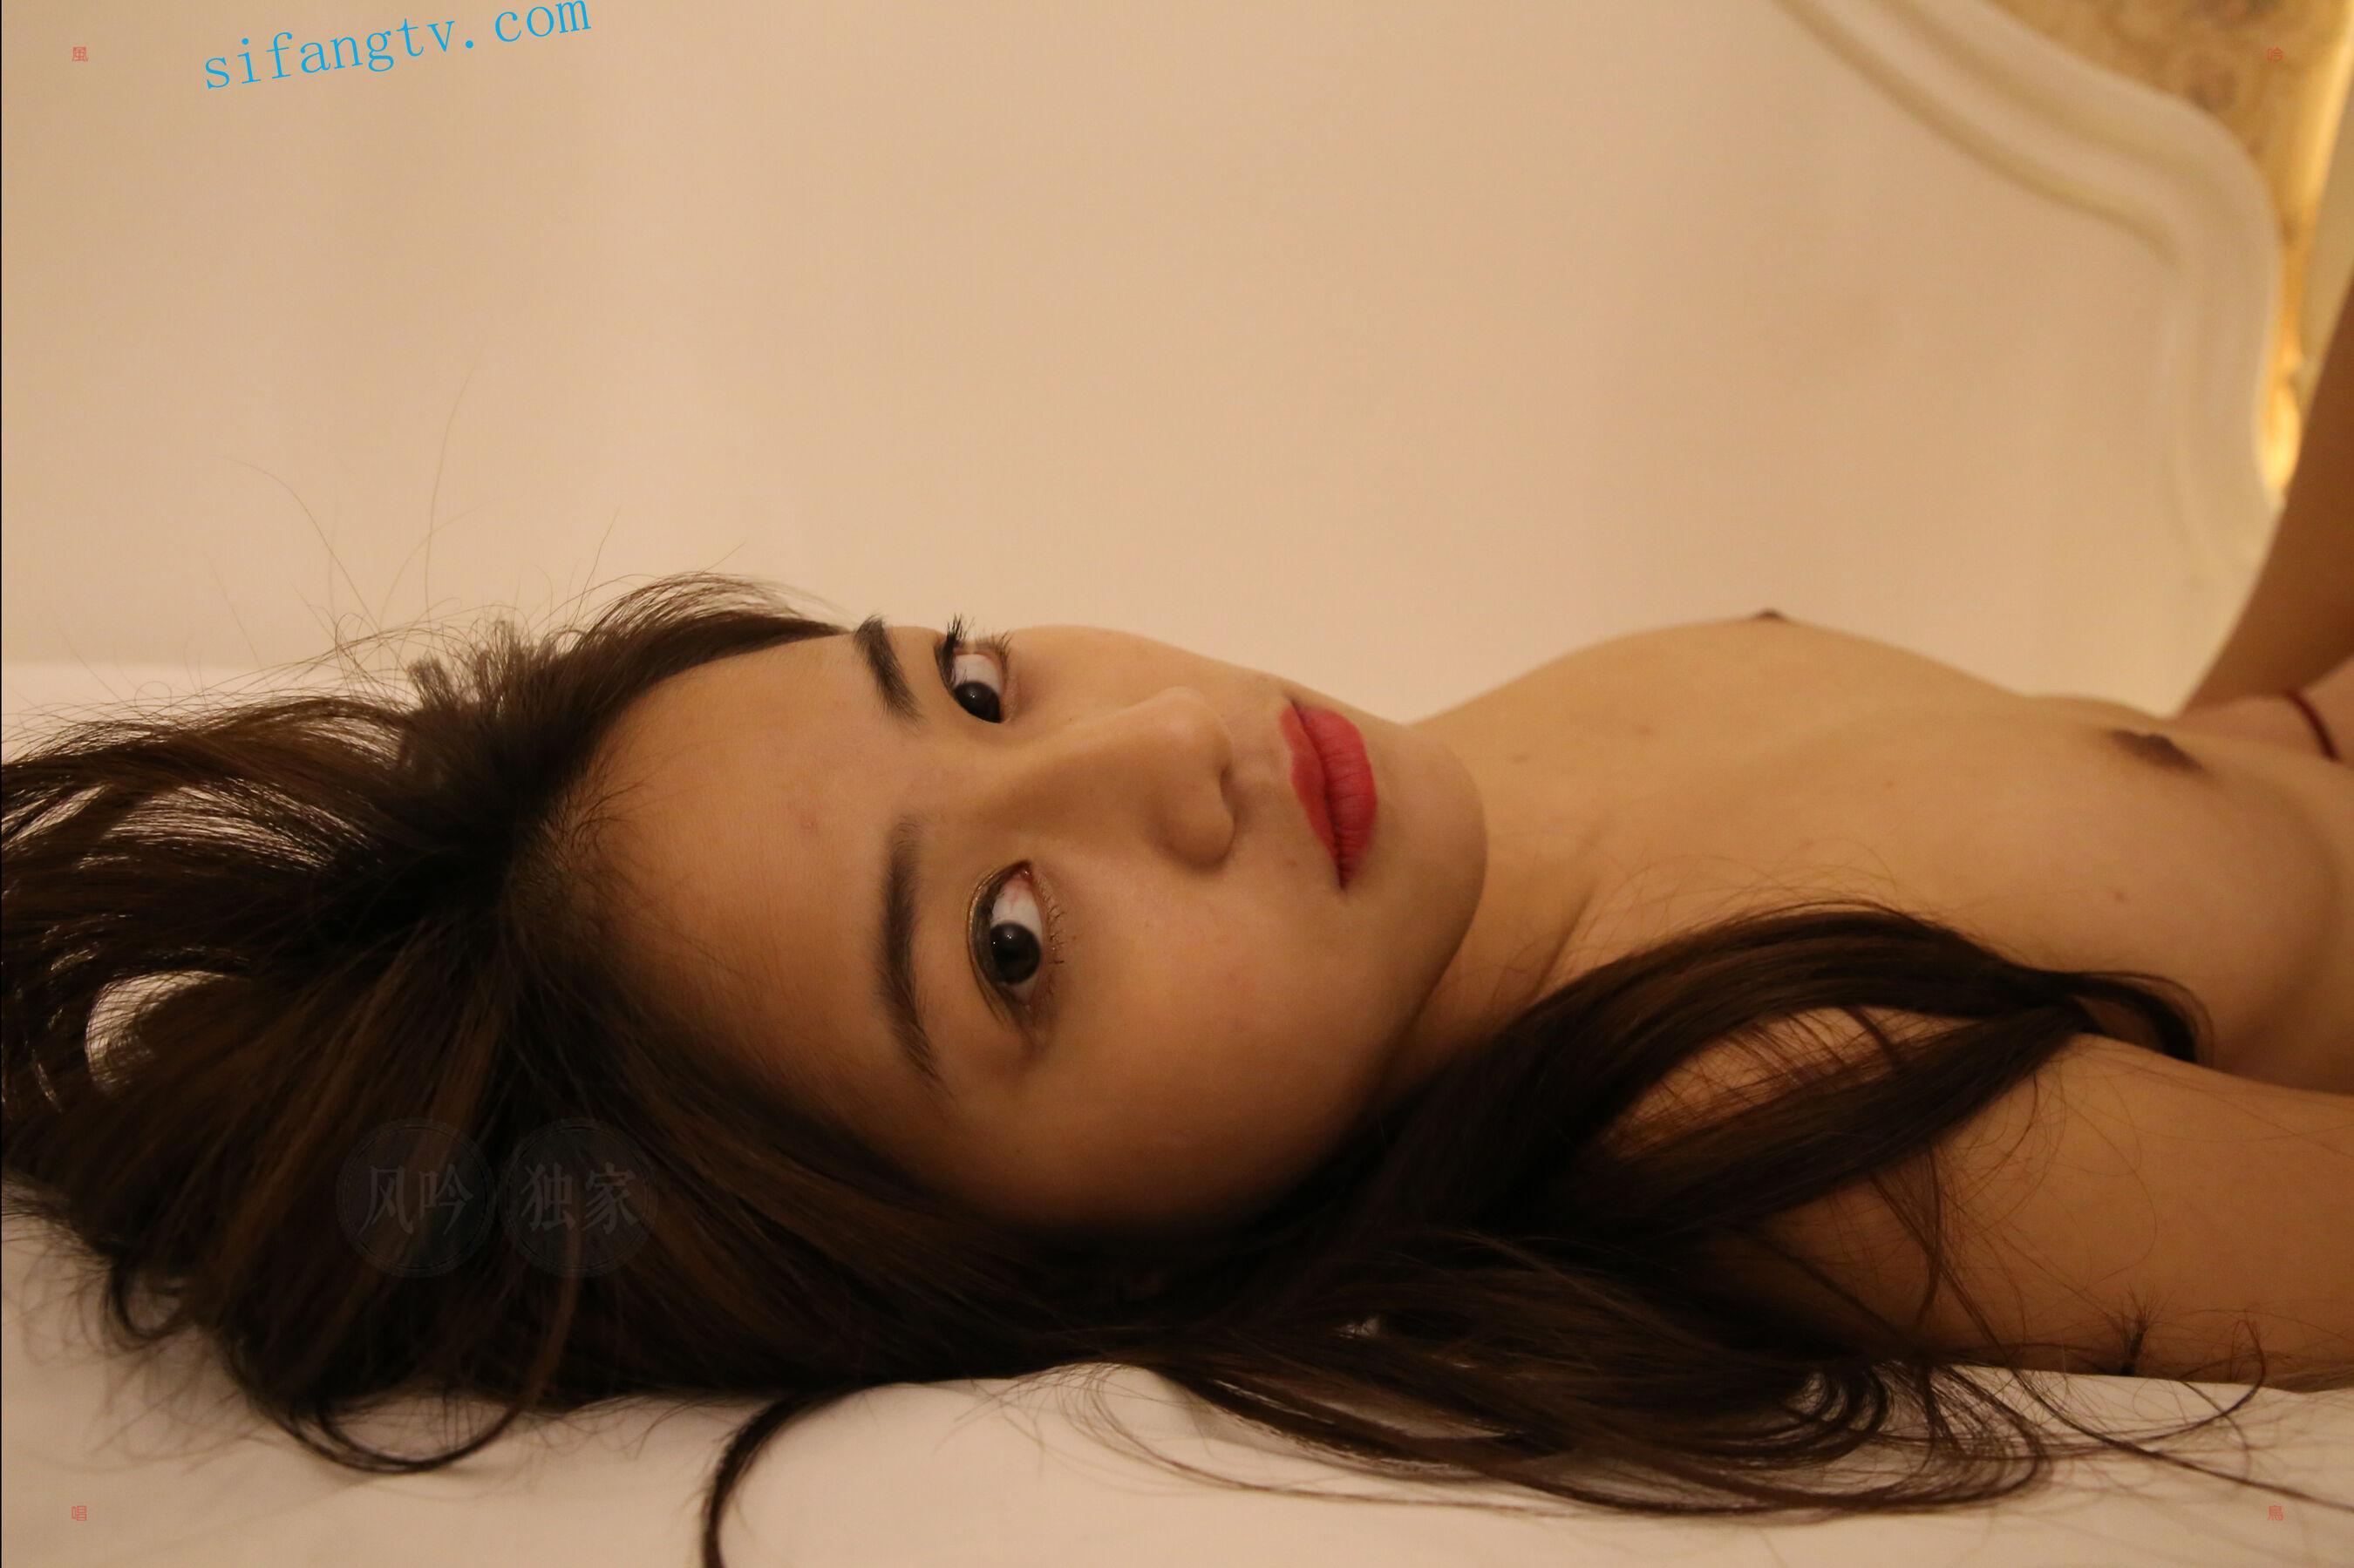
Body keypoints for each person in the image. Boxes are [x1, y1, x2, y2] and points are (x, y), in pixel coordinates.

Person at [5, 313, 2350, 1567]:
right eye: (1015, 947)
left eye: (977, 685)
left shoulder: (1468, 799)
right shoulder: (1777, 1104)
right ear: (1044, 1269)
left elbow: (2189, 775)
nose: (1161, 750)